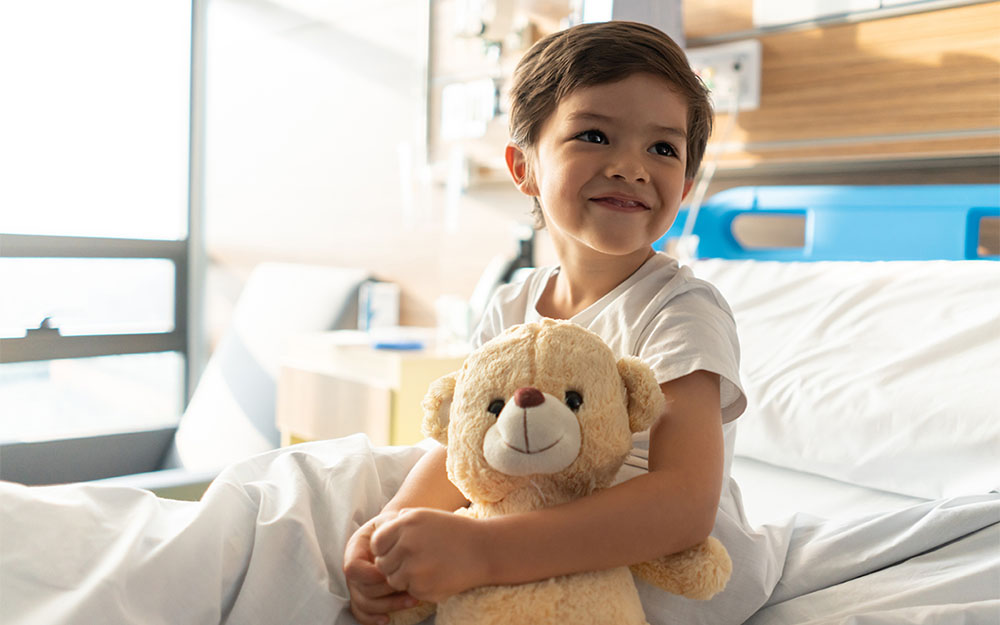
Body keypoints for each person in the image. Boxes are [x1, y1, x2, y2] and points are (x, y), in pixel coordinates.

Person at [344, 20, 776, 625]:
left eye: (663, 148)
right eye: (595, 135)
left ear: (685, 183)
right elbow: (466, 448)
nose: (631, 166)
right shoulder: (511, 306)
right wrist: (387, 534)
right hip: (528, 528)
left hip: (658, 564)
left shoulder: (680, 308)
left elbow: (684, 504)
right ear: (524, 167)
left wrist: (484, 552)